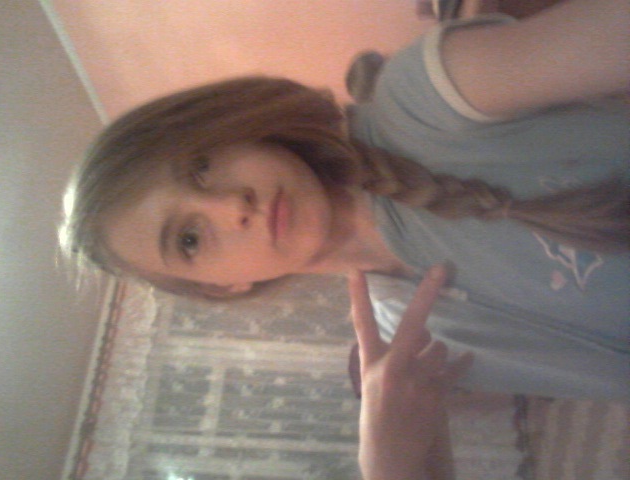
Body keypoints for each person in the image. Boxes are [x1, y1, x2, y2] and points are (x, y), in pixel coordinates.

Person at [59, 0, 629, 478]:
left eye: (202, 165)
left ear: (232, 128)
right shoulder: (410, 343)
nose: (232, 207)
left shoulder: (426, 99)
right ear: (222, 287)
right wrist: (390, 468)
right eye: (188, 239)